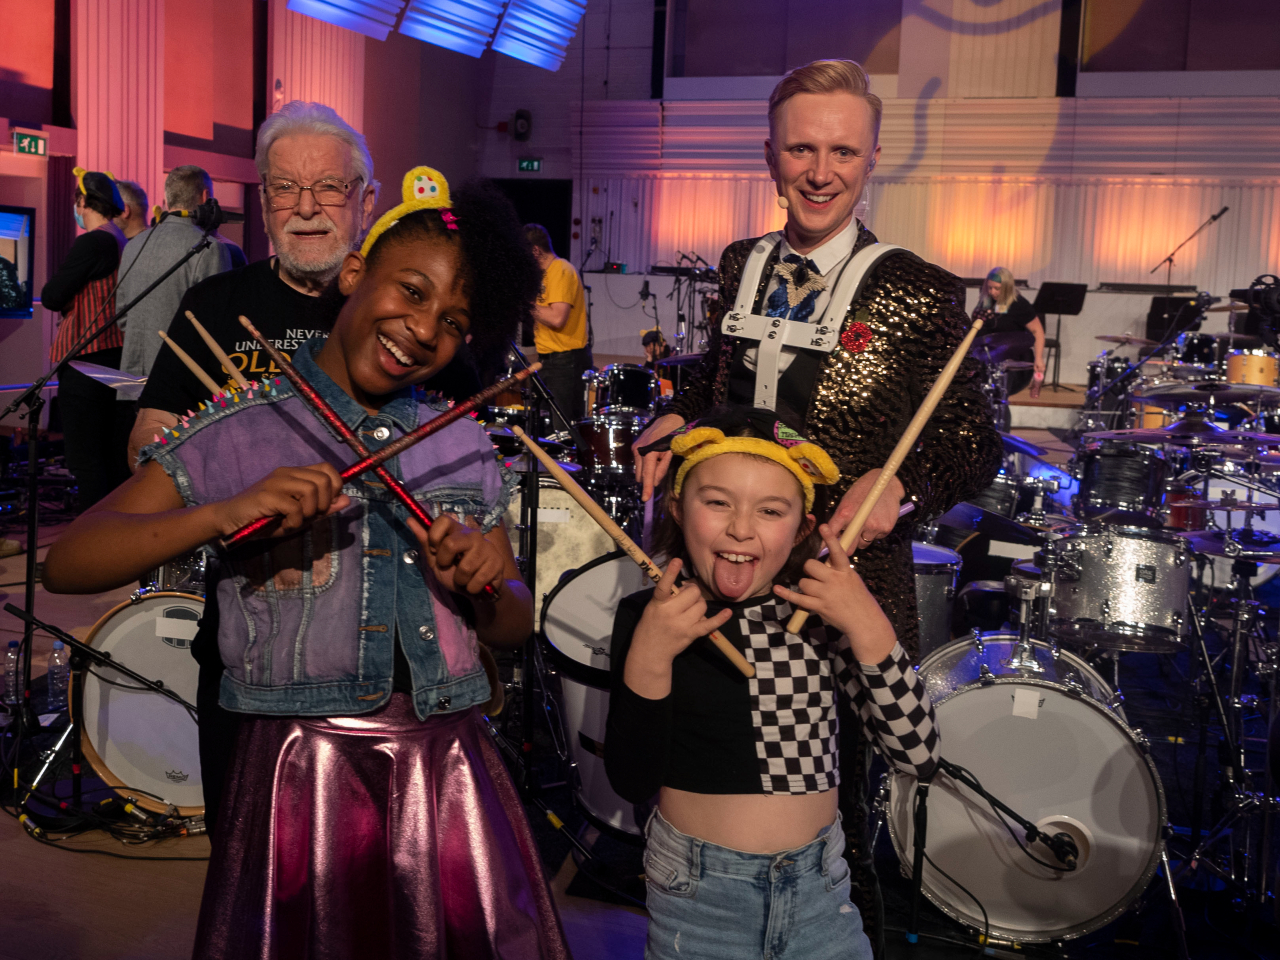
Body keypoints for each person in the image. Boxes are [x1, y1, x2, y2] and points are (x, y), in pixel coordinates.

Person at [42, 168, 567, 960]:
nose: (425, 330)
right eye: (413, 292)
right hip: (300, 765)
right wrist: (222, 514)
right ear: (355, 274)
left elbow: (512, 620)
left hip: (445, 762)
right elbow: (70, 563)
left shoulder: (459, 437)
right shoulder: (239, 429)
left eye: (455, 321)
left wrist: (492, 576)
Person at [628, 59, 1001, 949]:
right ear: (770, 155)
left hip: (843, 578)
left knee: (848, 806)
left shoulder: (916, 286)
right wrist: (684, 407)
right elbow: (730, 385)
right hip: (726, 556)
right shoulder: (742, 263)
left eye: (842, 150)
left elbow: (975, 435)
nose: (821, 169)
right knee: (706, 760)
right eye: (801, 147)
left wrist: (901, 485)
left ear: (873, 159)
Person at [605, 407, 939, 960]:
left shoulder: (821, 615)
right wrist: (651, 653)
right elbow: (631, 779)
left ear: (803, 527)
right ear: (676, 507)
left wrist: (867, 622)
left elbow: (919, 754)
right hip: (701, 897)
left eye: (770, 510)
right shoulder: (653, 613)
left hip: (821, 893)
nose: (741, 528)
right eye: (716, 502)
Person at [127, 101, 380, 467]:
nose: (305, 208)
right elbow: (151, 431)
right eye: (284, 187)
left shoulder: (397, 310)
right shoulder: (211, 302)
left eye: (328, 186)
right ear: (264, 204)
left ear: (367, 204)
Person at [41, 167, 134, 511]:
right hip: (114, 356)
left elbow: (51, 296)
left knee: (85, 460)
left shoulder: (92, 241)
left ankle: (91, 543)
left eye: (77, 202)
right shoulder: (121, 238)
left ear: (83, 201)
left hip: (86, 358)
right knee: (109, 457)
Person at [116, 166, 235, 392]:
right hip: (183, 386)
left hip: (132, 383)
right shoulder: (210, 248)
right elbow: (217, 326)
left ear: (167, 199)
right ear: (205, 197)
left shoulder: (132, 246)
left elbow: (122, 318)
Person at [525, 223, 591, 429]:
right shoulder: (544, 275)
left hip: (565, 361)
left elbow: (556, 318)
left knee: (562, 430)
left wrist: (524, 304)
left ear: (535, 250)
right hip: (548, 360)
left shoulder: (561, 270)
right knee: (543, 428)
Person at [972, 266, 1045, 397]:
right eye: (989, 287)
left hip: (1011, 361)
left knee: (999, 397)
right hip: (987, 359)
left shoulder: (1019, 304)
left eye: (997, 288)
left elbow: (1037, 332)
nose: (992, 292)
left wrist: (1039, 359)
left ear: (1006, 287)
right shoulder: (986, 303)